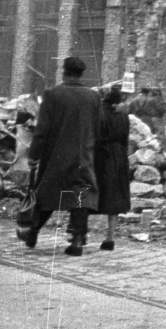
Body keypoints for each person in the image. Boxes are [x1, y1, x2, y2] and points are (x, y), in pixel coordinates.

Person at [19, 56, 101, 256]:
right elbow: (97, 129)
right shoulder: (93, 96)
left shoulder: (52, 94)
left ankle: (33, 230)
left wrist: (33, 155)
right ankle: (78, 241)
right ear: (82, 73)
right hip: (83, 155)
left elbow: (42, 129)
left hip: (56, 155)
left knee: (47, 192)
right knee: (80, 195)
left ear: (63, 71)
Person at [93, 83, 131, 250]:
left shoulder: (98, 114)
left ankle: (77, 233)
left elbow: (95, 138)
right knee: (115, 196)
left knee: (91, 192)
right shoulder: (124, 116)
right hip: (119, 156)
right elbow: (125, 140)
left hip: (101, 156)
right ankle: (110, 238)